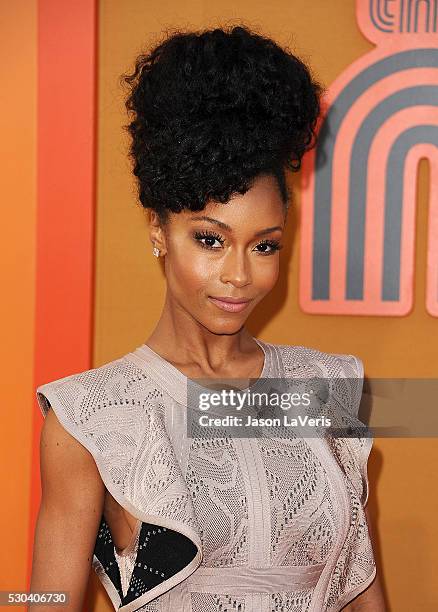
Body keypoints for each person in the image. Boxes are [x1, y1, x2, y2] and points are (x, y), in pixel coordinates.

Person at [31, 24, 386, 612]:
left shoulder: (327, 389)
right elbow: (41, 599)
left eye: (264, 245)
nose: (240, 275)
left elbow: (359, 585)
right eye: (210, 240)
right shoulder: (90, 417)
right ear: (158, 232)